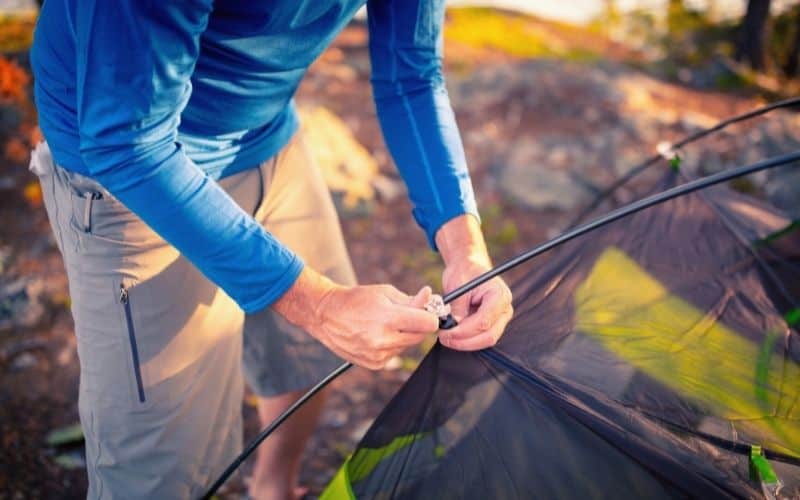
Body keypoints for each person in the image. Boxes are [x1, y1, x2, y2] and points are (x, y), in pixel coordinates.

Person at [29, 1, 513, 498]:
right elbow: (126, 143)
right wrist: (320, 305)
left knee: (305, 358)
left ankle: (273, 486)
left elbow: (412, 74)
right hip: (127, 169)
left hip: (266, 132)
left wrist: (466, 251)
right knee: (162, 470)